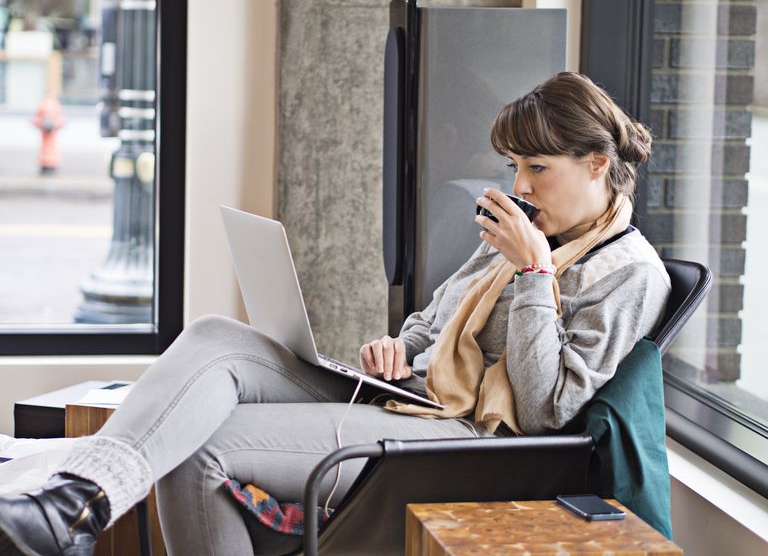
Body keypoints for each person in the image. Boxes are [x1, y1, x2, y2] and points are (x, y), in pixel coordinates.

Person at [0, 72, 670, 556]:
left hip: (480, 442)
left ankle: (74, 511)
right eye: (514, 165)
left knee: (203, 449)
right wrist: (399, 351)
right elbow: (430, 325)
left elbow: (544, 406)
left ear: (597, 163)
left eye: (537, 167)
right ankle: (75, 501)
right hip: (412, 396)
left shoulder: (628, 273)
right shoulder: (530, 231)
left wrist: (532, 275)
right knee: (214, 337)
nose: (519, 185)